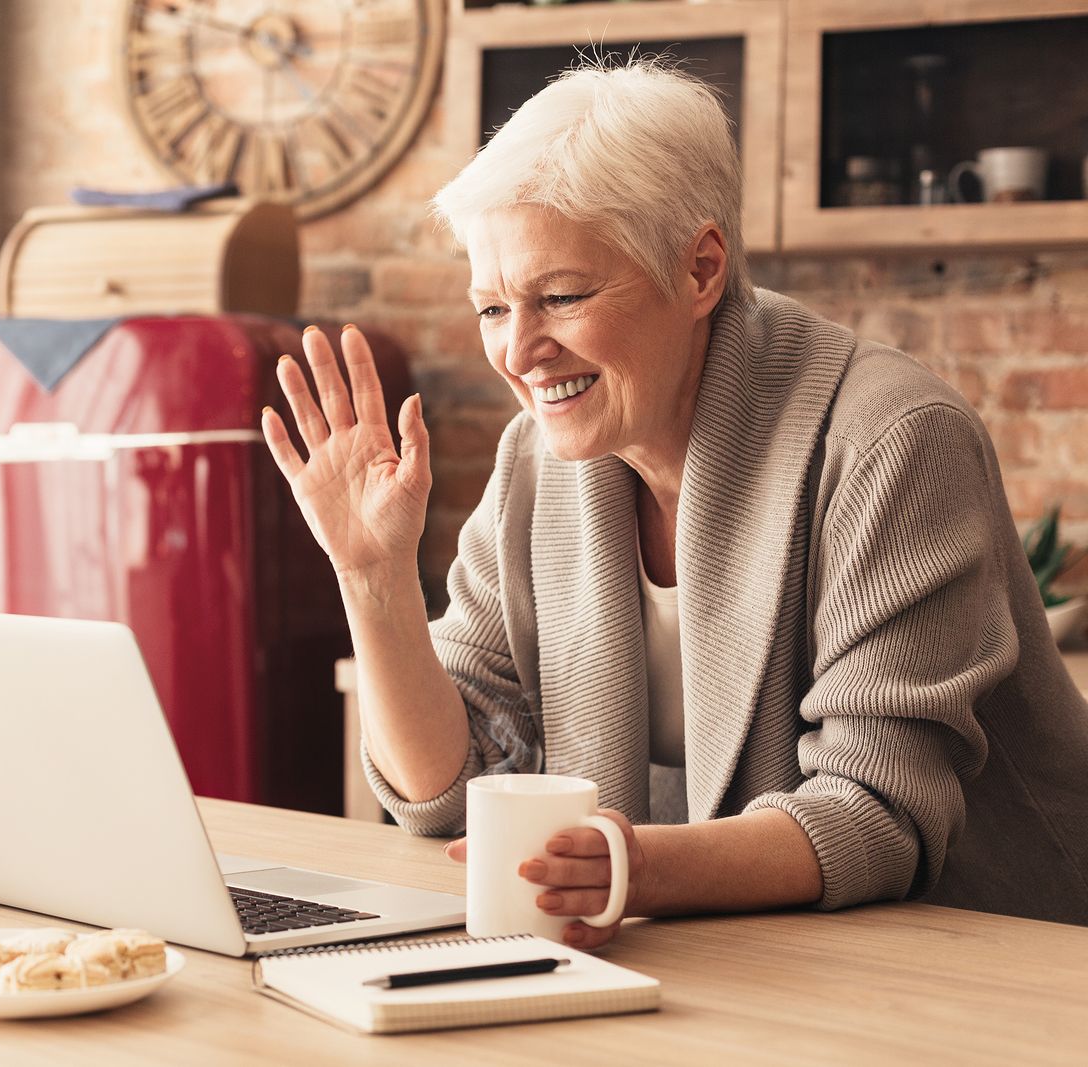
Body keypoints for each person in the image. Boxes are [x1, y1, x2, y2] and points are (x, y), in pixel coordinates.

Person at [260, 59, 1088, 947]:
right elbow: (456, 788)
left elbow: (877, 809)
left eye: (563, 296)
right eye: (493, 308)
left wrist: (631, 870)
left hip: (997, 957)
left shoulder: (893, 442)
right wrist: (373, 576)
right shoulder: (535, 464)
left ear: (699, 270)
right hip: (747, 954)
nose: (520, 351)